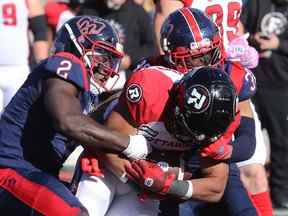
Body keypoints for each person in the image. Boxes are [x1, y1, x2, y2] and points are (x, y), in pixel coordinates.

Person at [0, 15, 152, 215]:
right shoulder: (65, 63)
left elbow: (96, 132)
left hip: (36, 172)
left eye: (110, 59)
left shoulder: (89, 94)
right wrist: (129, 143)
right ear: (77, 47)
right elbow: (68, 121)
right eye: (101, 54)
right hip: (10, 168)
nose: (105, 65)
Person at [153, 1, 273, 215]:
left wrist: (224, 151)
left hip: (218, 164)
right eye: (191, 59)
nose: (203, 64)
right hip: (170, 164)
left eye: (207, 55)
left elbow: (248, 142)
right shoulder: (155, 78)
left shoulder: (231, 74)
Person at [74, 65, 240, 216]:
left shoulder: (220, 122)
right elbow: (106, 145)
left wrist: (167, 186)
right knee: (85, 210)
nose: (185, 136)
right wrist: (144, 180)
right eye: (183, 126)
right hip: (111, 170)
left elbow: (215, 188)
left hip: (151, 192)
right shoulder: (151, 89)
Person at [241, 0, 288, 212]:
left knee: (281, 142)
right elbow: (240, 31)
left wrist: (278, 45)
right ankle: (247, 193)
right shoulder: (257, 3)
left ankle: (280, 193)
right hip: (253, 84)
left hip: (281, 86)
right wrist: (253, 39)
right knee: (248, 141)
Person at [0, 0, 49, 115]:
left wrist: (42, 68)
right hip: (17, 68)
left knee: (14, 121)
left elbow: (40, 31)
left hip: (18, 70)